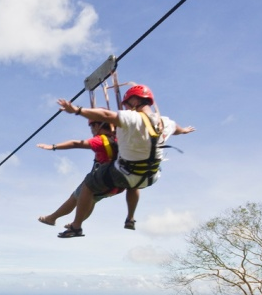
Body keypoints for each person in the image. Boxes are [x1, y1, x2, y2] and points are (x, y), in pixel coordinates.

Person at [54, 84, 195, 238]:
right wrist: (185, 131)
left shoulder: (131, 118)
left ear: (135, 101)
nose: (126, 107)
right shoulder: (165, 122)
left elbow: (106, 115)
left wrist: (76, 110)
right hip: (150, 177)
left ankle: (76, 226)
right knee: (133, 183)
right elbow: (177, 129)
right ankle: (130, 218)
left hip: (124, 174)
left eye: (127, 104)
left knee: (88, 185)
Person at [36, 120, 140, 228]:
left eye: (92, 128)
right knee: (92, 200)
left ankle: (53, 218)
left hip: (102, 179)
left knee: (75, 197)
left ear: (97, 126)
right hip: (117, 184)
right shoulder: (119, 137)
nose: (92, 131)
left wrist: (53, 146)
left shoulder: (101, 140)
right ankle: (76, 222)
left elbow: (75, 143)